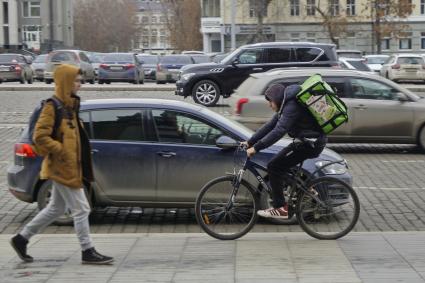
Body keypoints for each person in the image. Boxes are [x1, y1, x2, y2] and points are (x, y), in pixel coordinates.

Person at [10, 64, 113, 264]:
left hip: (70, 166)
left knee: (55, 208)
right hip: (62, 167)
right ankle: (87, 251)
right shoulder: (53, 106)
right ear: (66, 82)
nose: (80, 84)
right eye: (76, 80)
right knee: (82, 209)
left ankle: (21, 239)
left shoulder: (69, 106)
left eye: (80, 81)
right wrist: (61, 150)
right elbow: (40, 136)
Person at [243, 84, 327, 219]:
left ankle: (281, 208)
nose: (269, 105)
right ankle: (305, 189)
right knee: (280, 163)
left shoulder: (291, 107)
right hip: (305, 141)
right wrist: (250, 142)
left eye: (270, 101)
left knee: (274, 166)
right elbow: (270, 126)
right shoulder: (286, 106)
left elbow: (279, 131)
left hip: (311, 144)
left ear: (276, 98)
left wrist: (256, 148)